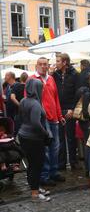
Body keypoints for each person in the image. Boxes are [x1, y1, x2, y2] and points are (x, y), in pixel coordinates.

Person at [30, 57, 66, 187]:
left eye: (45, 64)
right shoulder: (32, 79)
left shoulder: (50, 79)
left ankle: (54, 172)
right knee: (45, 149)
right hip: (41, 120)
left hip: (54, 119)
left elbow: (55, 98)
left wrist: (59, 115)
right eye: (41, 64)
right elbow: (28, 99)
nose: (44, 66)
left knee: (55, 148)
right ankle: (44, 175)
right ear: (36, 66)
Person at [18, 79, 51, 202]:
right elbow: (36, 123)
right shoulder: (36, 104)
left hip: (24, 135)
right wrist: (46, 133)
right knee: (36, 165)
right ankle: (35, 193)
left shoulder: (23, 100)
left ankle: (35, 187)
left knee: (31, 164)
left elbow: (20, 118)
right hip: (34, 138)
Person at [54, 53, 81, 171]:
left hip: (70, 109)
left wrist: (73, 108)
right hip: (59, 109)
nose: (56, 63)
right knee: (60, 138)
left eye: (58, 61)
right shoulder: (55, 75)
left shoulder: (75, 74)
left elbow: (78, 93)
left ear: (65, 62)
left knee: (70, 137)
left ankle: (73, 162)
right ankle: (62, 163)